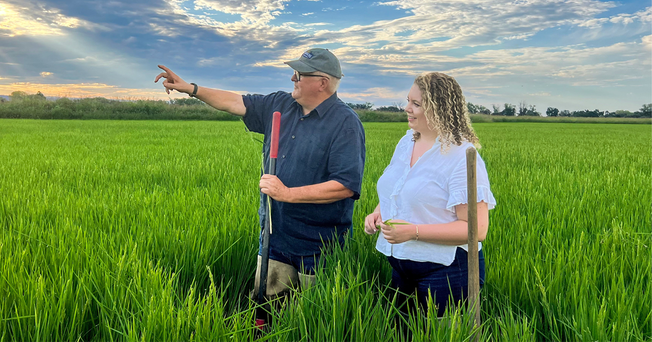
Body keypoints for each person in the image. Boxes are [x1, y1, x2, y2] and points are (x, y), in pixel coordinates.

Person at [155, 48, 365, 297]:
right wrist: (191, 89)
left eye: (299, 74)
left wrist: (287, 193)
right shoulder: (280, 104)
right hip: (274, 236)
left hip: (320, 246)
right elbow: (236, 102)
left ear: (323, 82)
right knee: (268, 310)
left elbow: (345, 185)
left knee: (313, 321)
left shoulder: (346, 123)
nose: (292, 79)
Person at [363, 72, 496, 317]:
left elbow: (476, 230)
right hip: (401, 264)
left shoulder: (462, 156)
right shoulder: (406, 142)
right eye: (408, 101)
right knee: (401, 333)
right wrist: (378, 212)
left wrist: (412, 232)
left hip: (446, 270)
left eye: (416, 104)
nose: (407, 108)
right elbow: (398, 190)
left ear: (439, 109)